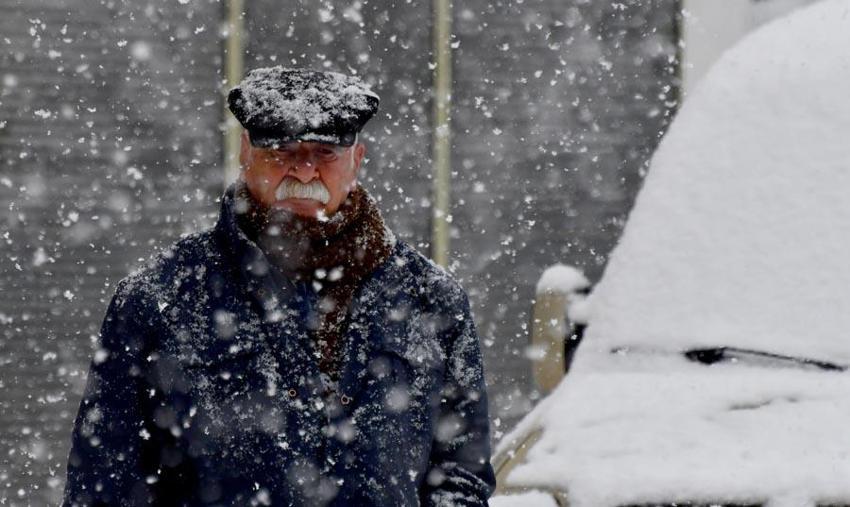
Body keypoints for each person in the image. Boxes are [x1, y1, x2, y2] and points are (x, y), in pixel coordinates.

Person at [62, 66, 496, 506]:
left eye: (325, 152)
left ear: (357, 159)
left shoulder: (432, 300)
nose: (304, 171)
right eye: (282, 149)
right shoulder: (160, 299)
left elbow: (461, 477)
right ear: (245, 151)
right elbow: (104, 485)